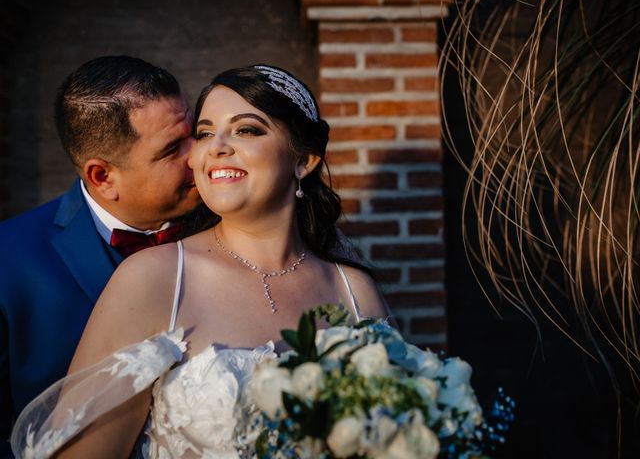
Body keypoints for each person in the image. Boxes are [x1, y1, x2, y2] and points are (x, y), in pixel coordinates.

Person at [10, 65, 389, 458]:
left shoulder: (354, 289)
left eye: (247, 129)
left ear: (304, 161)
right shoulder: (152, 277)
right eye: (206, 133)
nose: (211, 148)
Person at [0, 56, 200, 455]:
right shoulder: (9, 261)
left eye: (197, 133)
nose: (199, 156)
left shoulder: (237, 229)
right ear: (103, 177)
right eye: (173, 148)